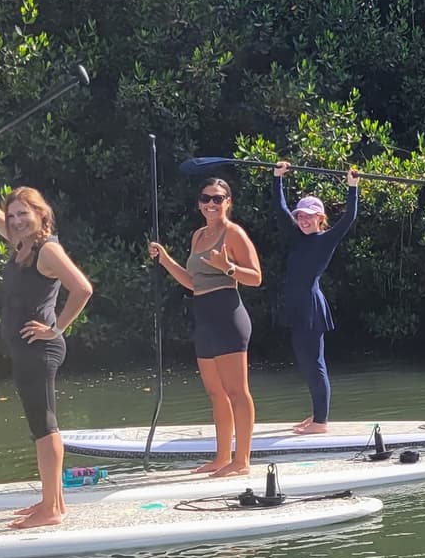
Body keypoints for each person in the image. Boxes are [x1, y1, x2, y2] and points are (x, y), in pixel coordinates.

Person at [0, 150, 94, 528]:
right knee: (41, 424)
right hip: (25, 348)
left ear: (41, 214)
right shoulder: (19, 244)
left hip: (38, 347)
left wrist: (56, 327)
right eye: (12, 216)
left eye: (23, 214)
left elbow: (83, 289)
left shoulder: (47, 249)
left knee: (45, 426)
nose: (15, 221)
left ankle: (52, 509)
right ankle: (52, 501)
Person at [149, 178, 262, 474]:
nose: (211, 203)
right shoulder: (198, 236)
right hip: (204, 318)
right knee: (216, 393)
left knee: (237, 390)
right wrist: (165, 260)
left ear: (228, 202)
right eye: (206, 198)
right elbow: (192, 281)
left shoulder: (233, 233)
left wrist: (228, 267)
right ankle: (222, 456)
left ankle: (242, 461)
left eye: (218, 198)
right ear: (199, 203)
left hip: (228, 315)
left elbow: (256, 277)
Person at [272, 159, 359, 432]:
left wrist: (352, 187)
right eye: (301, 216)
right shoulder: (296, 236)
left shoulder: (325, 240)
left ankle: (321, 422)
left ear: (320, 219)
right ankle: (316, 414)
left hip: (310, 306)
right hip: (297, 306)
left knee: (315, 363)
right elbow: (280, 208)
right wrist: (277, 178)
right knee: (306, 362)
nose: (303, 220)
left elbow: (349, 218)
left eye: (310, 216)